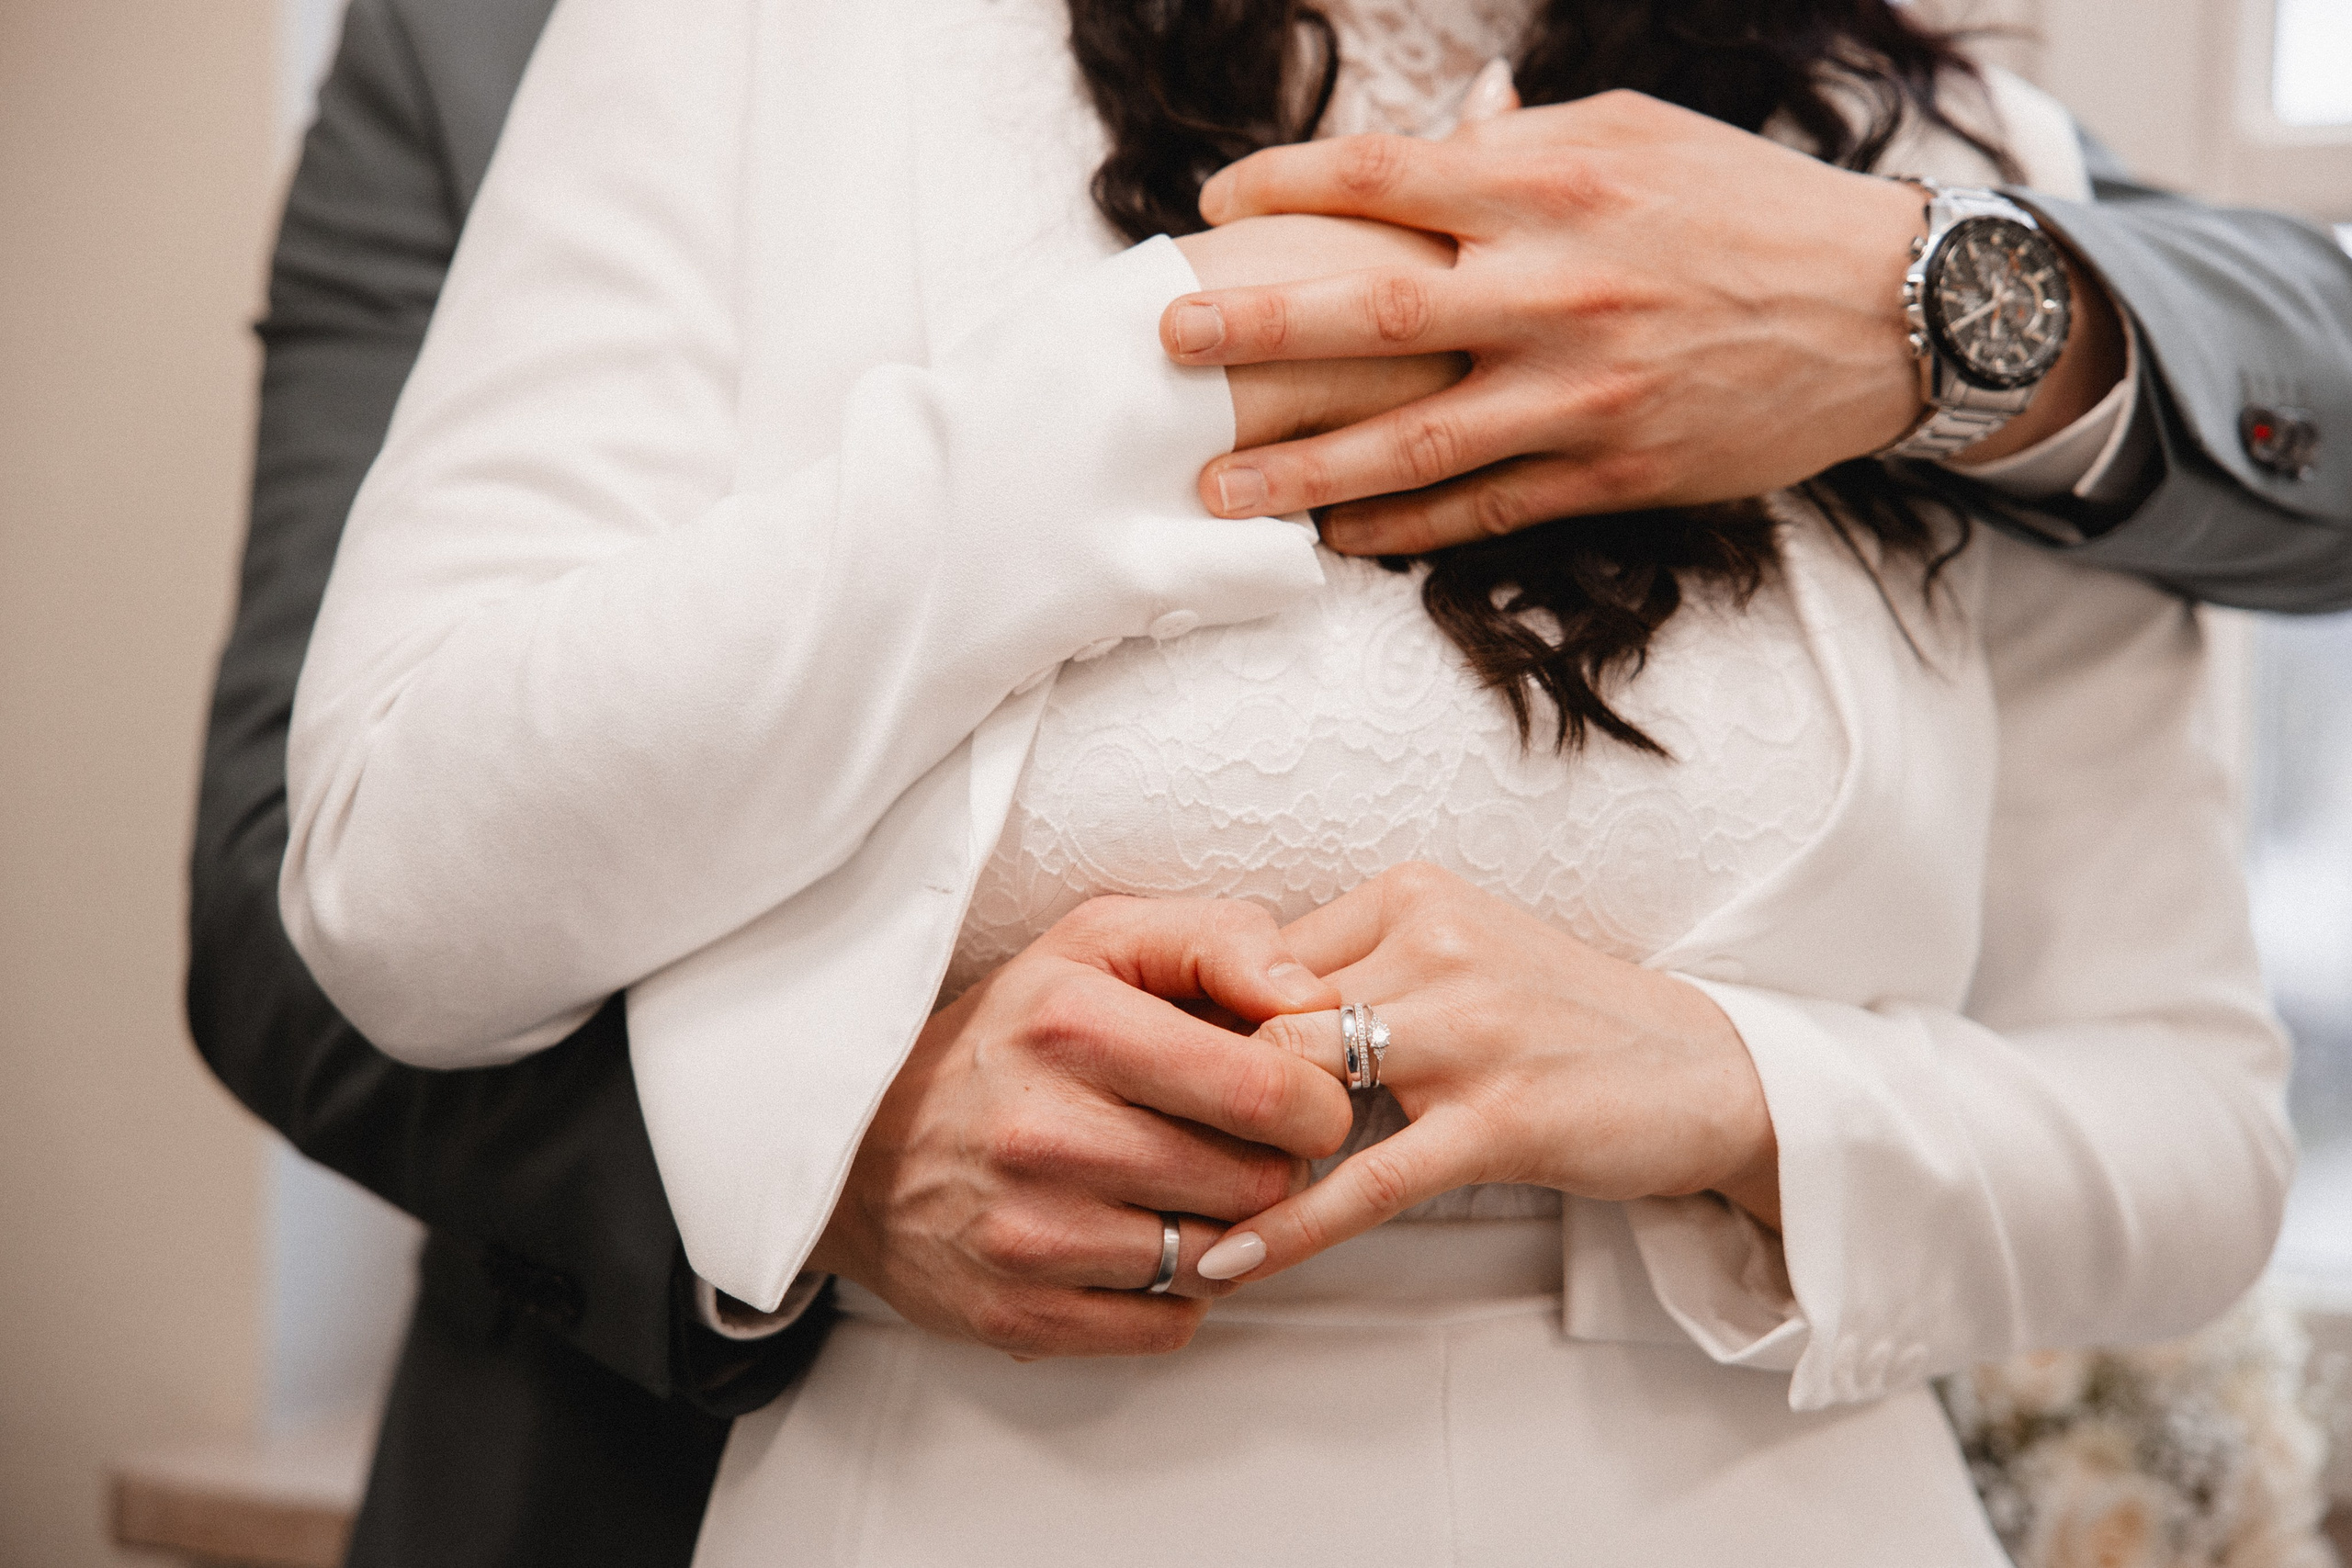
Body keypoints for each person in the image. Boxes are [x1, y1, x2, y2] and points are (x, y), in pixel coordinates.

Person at [191, 1, 2352, 1565]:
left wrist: (1743, 1090)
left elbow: (2186, 1135)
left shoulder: (1916, 174)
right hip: (960, 1498)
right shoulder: (746, 47)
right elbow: (383, 883)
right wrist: (1128, 393)